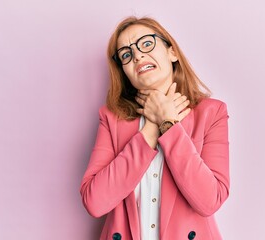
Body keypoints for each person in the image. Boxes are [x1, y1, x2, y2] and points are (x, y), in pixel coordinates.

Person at [80, 16, 230, 240]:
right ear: (125, 72)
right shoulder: (111, 119)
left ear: (172, 53)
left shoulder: (211, 113)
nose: (138, 55)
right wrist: (150, 129)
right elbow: (95, 202)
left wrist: (168, 125)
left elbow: (209, 200)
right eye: (126, 55)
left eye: (147, 43)